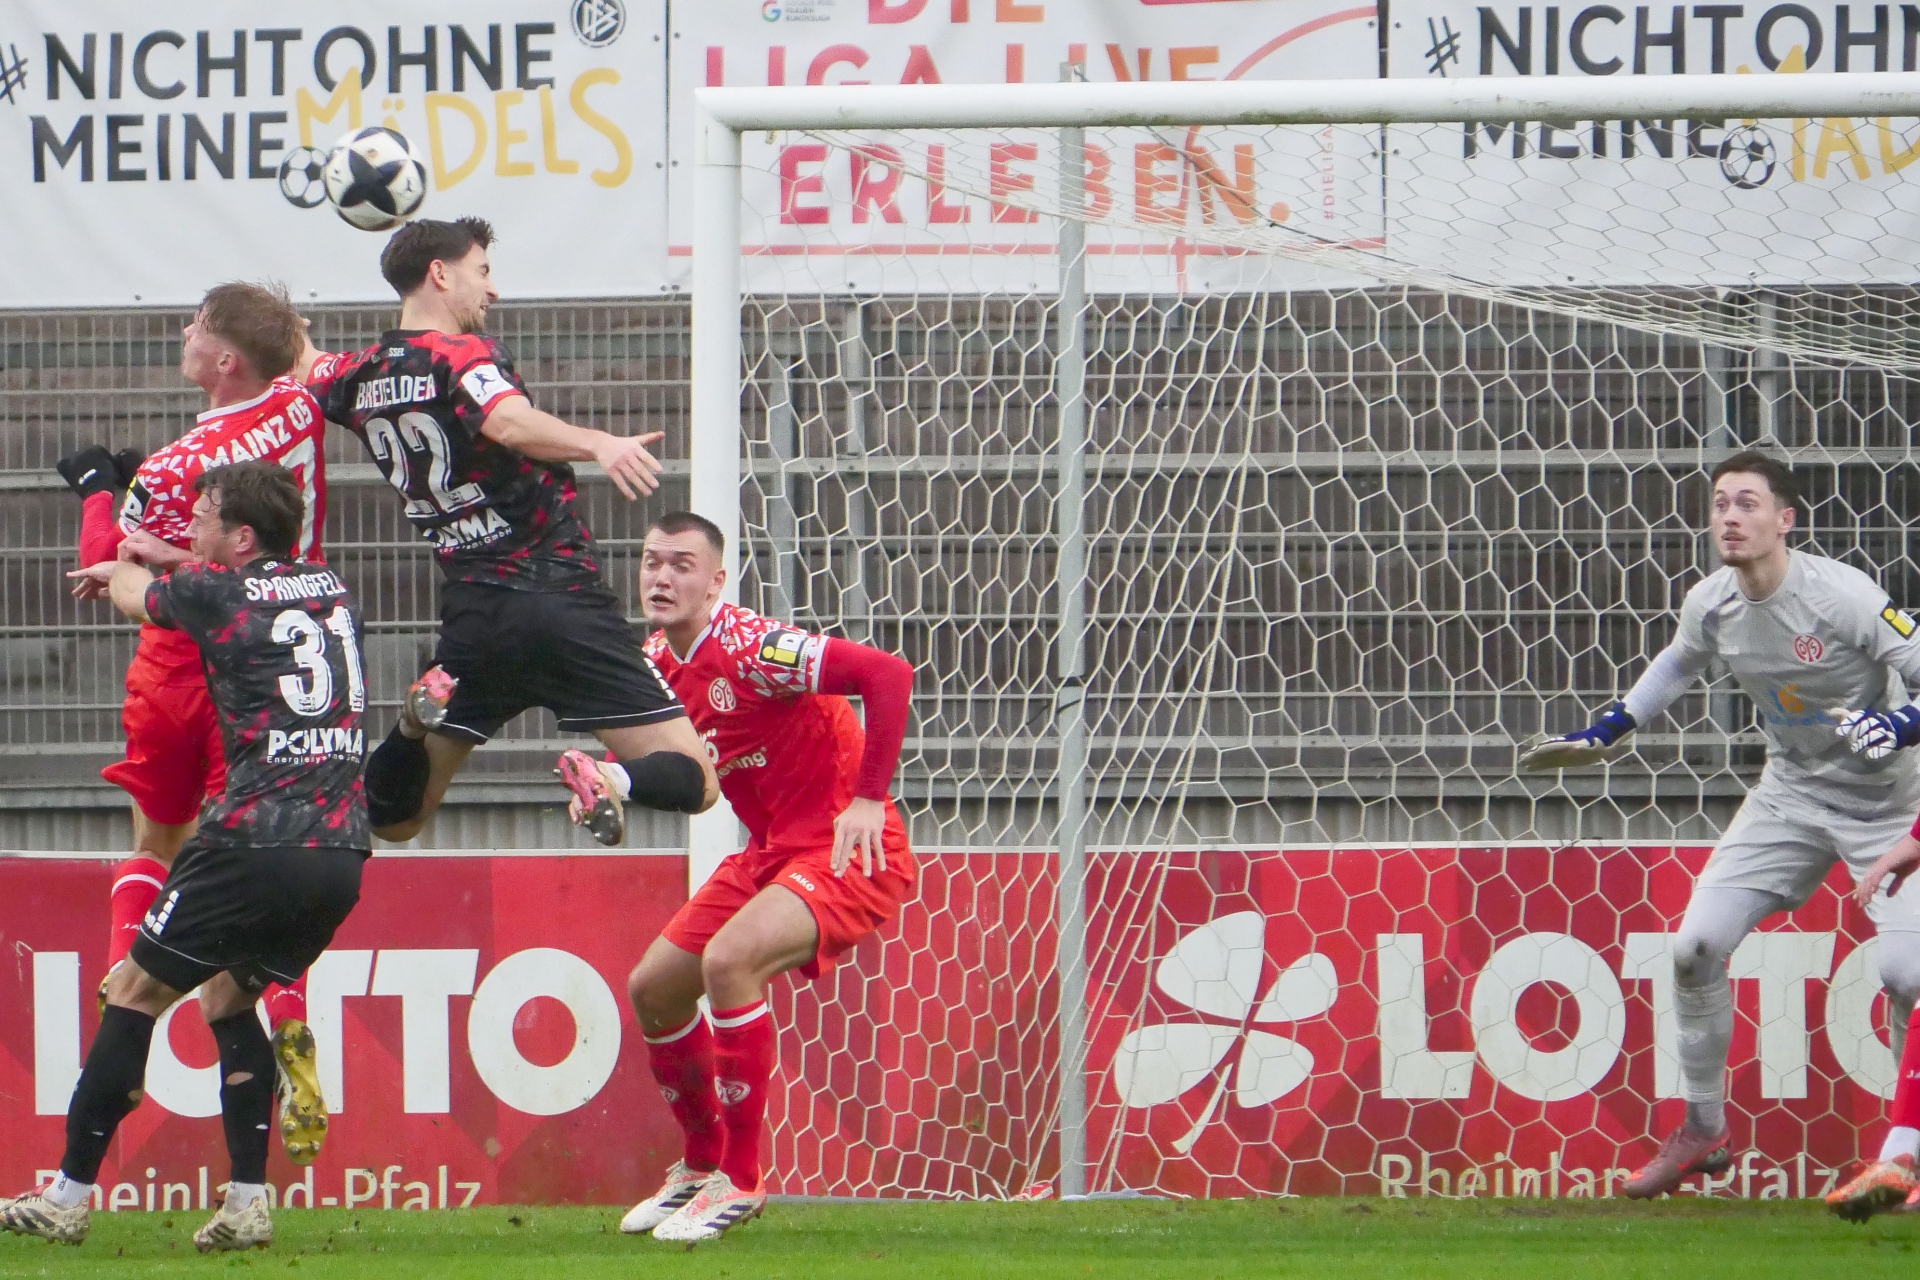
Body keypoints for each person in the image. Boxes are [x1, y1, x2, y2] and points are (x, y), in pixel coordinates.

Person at [1523, 449, 1920, 1199]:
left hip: (1890, 809)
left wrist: (1899, 725)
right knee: (1694, 949)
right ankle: (1703, 1130)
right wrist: (1608, 730)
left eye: (1747, 504)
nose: (1729, 518)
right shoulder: (1711, 602)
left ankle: (1908, 1163)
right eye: (1720, 504)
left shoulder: (1845, 597)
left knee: (1909, 977)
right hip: (1789, 798)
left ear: (1785, 520)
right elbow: (1679, 662)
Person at [3, 462, 371, 1252]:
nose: (191, 524)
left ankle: (67, 1196)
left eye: (203, 516)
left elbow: (139, 598)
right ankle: (247, 1204)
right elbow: (242, 586)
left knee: (132, 992)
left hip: (251, 840)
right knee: (228, 1000)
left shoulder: (215, 594)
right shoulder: (333, 590)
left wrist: (122, 565)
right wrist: (178, 558)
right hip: (340, 850)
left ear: (241, 536)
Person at [294, 216, 716, 843]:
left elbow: (303, 363)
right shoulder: (463, 352)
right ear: (440, 274)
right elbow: (508, 421)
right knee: (698, 781)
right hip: (561, 604)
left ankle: (409, 727)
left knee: (397, 820)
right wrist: (599, 442)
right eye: (483, 271)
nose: (493, 289)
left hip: (476, 621)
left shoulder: (358, 374)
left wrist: (285, 326)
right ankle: (611, 779)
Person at [55, 281, 331, 1165]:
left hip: (183, 665)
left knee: (157, 839)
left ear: (224, 360)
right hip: (273, 666)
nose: (184, 332)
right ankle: (288, 1014)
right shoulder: (300, 406)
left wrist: (98, 491)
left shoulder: (178, 466)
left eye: (199, 327)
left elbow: (104, 571)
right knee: (253, 864)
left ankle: (122, 993)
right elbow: (295, 351)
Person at [590, 512, 916, 1244]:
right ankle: (701, 1165)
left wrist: (869, 797)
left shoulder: (752, 646)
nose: (661, 576)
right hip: (770, 852)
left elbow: (888, 674)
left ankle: (740, 1180)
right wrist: (609, 781)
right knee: (654, 987)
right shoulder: (653, 664)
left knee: (730, 961)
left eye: (681, 564)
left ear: (715, 582)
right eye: (651, 561)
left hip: (846, 846)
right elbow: (677, 775)